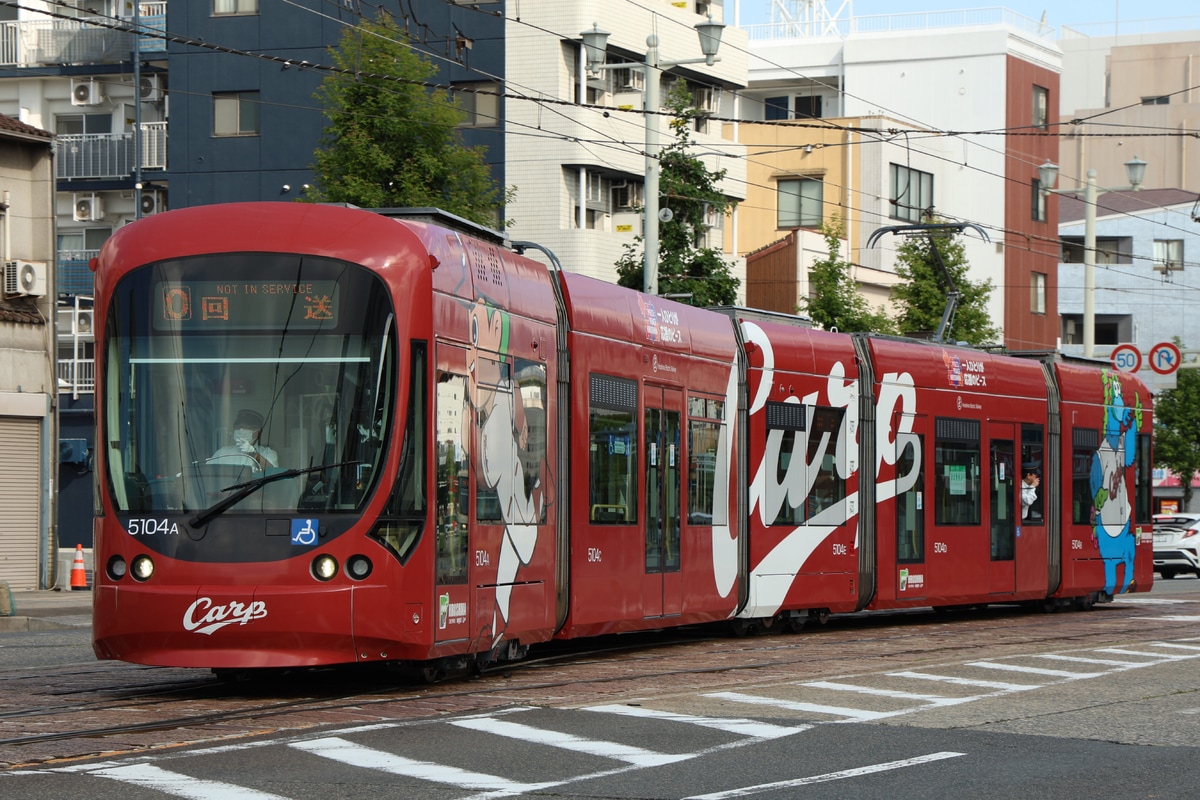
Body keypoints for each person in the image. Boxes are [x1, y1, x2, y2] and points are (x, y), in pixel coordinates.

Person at [210, 409, 279, 470]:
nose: (241, 430)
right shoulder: (222, 453)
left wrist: (253, 453)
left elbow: (272, 473)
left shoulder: (268, 454)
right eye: (238, 427)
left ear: (259, 432)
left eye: (247, 427)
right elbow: (206, 474)